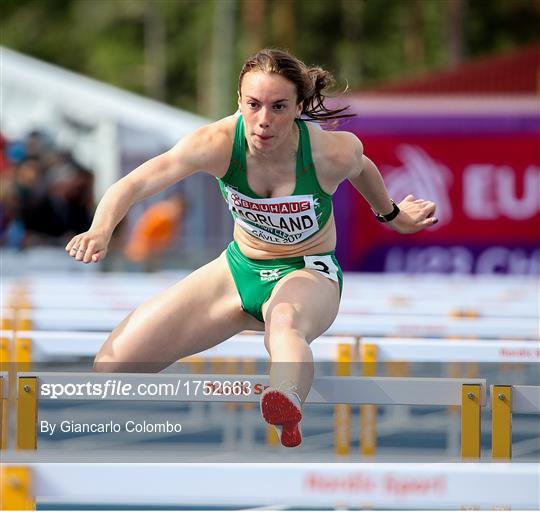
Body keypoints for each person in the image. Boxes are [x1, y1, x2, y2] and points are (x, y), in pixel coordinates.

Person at [66, 49, 437, 448]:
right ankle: (252, 335)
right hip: (238, 268)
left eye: (278, 107)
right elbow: (134, 184)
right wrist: (100, 229)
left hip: (306, 271)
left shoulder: (332, 152)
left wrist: (392, 215)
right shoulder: (215, 144)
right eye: (253, 105)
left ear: (298, 108)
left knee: (284, 322)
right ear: (238, 101)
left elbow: (363, 169)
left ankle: (285, 401)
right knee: (111, 368)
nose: (264, 121)